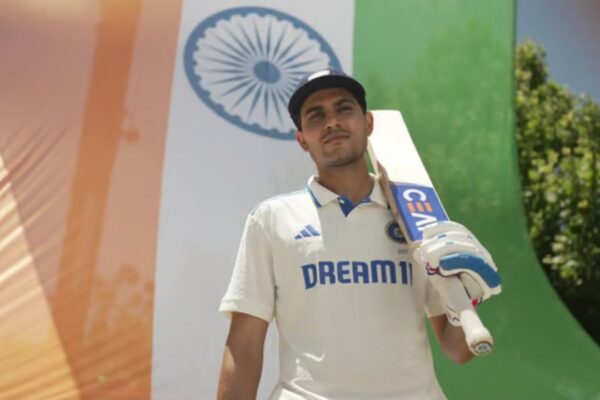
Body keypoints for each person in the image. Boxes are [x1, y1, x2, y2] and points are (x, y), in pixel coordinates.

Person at [217, 69, 499, 399]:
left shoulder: (418, 219)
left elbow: (457, 349)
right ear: (302, 139)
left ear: (368, 124)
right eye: (316, 115)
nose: (332, 122)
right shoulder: (272, 220)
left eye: (343, 109)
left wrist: (472, 293)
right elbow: (245, 346)